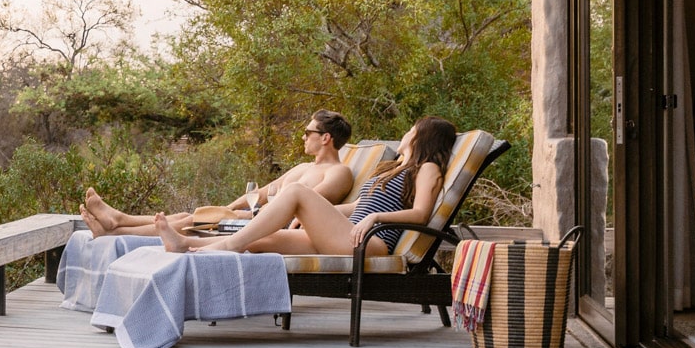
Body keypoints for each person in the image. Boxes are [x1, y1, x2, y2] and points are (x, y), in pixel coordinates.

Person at [151, 116, 455, 259]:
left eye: (412, 129)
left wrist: (375, 219)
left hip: (371, 244)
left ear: (423, 138)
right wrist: (322, 213)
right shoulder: (394, 168)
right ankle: (184, 246)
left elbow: (421, 214)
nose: (406, 132)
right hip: (347, 233)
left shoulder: (426, 167)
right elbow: (360, 206)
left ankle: (225, 245)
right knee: (262, 239)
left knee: (297, 192)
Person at [82, 110, 358, 237]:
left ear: (325, 138)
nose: (302, 136)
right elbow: (260, 193)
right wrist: (226, 208)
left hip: (276, 226)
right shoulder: (304, 168)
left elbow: (305, 206)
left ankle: (116, 229)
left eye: (308, 132)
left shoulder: (339, 172)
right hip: (259, 216)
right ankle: (118, 222)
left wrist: (243, 213)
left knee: (195, 219)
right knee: (194, 215)